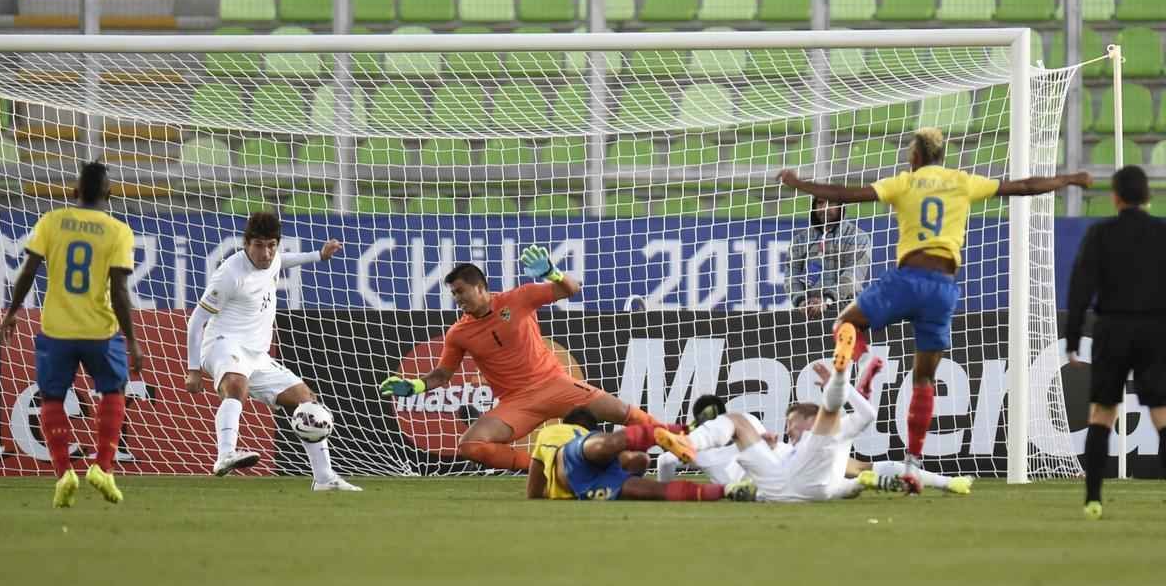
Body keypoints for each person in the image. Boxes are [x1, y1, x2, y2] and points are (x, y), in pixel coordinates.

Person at [777, 127, 1092, 488]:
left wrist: (800, 184)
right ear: (941, 156)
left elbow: (846, 195)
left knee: (846, 325)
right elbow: (1021, 187)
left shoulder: (904, 182)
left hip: (907, 279)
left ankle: (851, 376)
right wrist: (1069, 178)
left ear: (914, 157)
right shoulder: (962, 181)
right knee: (924, 378)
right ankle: (912, 463)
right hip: (943, 289)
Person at [380, 246, 661, 471]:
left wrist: (552, 273)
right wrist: (414, 386)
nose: (457, 298)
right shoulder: (459, 333)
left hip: (556, 385)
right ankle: (549, 467)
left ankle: (686, 446)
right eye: (453, 293)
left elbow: (571, 289)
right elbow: (442, 375)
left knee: (629, 415)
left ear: (480, 287)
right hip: (517, 403)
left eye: (460, 291)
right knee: (471, 445)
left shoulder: (519, 298)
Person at [0, 161, 142, 508]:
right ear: (109, 194)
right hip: (99, 330)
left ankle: (64, 473)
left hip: (57, 328)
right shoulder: (117, 231)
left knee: (51, 398)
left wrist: (12, 312)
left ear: (74, 192)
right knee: (113, 390)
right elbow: (120, 290)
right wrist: (133, 338)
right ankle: (103, 467)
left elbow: (28, 270)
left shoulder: (51, 221)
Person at [185, 211, 359, 492]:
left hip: (257, 355)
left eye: (271, 245)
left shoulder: (273, 258)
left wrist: (318, 255)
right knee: (236, 385)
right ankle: (226, 454)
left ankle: (324, 478)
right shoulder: (229, 273)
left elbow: (282, 261)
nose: (265, 253)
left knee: (307, 401)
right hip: (222, 343)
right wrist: (193, 369)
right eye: (258, 246)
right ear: (246, 243)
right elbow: (196, 321)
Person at [656, 359, 973, 497]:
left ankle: (872, 482)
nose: (787, 427)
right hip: (789, 471)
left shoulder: (730, 437)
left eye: (792, 422)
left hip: (771, 481)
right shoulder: (754, 426)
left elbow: (666, 461)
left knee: (851, 472)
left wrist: (665, 490)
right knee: (851, 471)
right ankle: (932, 482)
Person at [1065, 165, 1166, 520]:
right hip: (1156, 329)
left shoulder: (1100, 234)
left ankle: (1093, 500)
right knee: (1162, 415)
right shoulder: (1162, 233)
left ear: (1116, 197)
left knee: (1102, 413)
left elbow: (1080, 288)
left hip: (1112, 329)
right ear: (1148, 197)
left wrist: (1074, 337)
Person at [526, 407, 756, 502]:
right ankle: (685, 431)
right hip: (599, 466)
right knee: (615, 447)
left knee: (655, 491)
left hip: (580, 475)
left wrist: (549, 493)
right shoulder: (589, 434)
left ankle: (723, 491)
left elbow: (533, 490)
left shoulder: (551, 431)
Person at [786, 197, 873, 320]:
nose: (825, 208)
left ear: (841, 207)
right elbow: (791, 277)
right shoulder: (800, 240)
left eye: (831, 203)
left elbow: (852, 277)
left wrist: (826, 300)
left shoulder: (858, 238)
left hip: (849, 313)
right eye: (820, 203)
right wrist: (801, 302)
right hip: (809, 315)